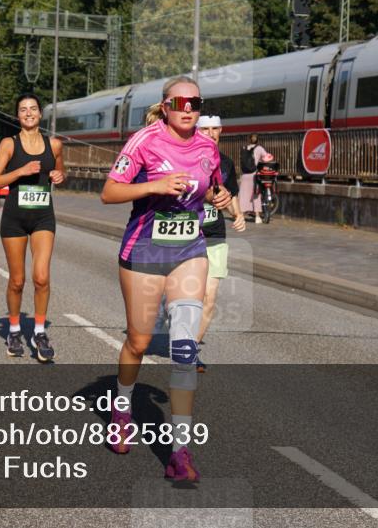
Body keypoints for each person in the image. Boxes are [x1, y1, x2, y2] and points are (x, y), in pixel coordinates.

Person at [100, 75, 230, 481]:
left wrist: (219, 197)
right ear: (166, 105)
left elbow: (210, 188)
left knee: (184, 348)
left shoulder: (209, 148)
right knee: (138, 341)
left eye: (195, 102)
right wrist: (155, 185)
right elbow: (109, 192)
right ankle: (122, 406)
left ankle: (180, 451)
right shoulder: (145, 141)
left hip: (189, 252)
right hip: (143, 252)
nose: (188, 108)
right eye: (180, 102)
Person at [0, 93, 65, 361]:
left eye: (33, 109)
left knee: (41, 277)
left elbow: (60, 172)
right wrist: (20, 171)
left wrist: (58, 175)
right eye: (23, 110)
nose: (28, 113)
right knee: (17, 280)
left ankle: (39, 332)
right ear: (17, 115)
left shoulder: (53, 145)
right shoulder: (9, 144)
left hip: (43, 216)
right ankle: (15, 330)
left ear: (41, 114)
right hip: (15, 218)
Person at [195, 115, 246, 372]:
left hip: (214, 235)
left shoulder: (225, 163)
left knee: (209, 298)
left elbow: (231, 195)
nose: (210, 132)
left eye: (215, 128)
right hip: (185, 236)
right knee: (183, 296)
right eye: (205, 128)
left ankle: (190, 351)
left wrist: (238, 215)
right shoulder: (185, 157)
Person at [238, 133, 270, 223]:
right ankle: (257, 217)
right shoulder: (259, 148)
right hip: (254, 175)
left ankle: (241, 216)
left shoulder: (245, 148)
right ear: (258, 140)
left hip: (244, 175)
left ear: (249, 139)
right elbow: (267, 158)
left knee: (243, 196)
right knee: (256, 195)